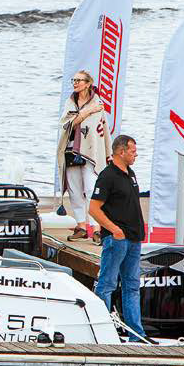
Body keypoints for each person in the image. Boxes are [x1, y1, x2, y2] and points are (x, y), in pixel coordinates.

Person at [88, 134, 147, 341]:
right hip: (117, 239)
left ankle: (136, 334)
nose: (136, 155)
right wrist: (114, 230)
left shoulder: (130, 173)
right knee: (107, 284)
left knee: (132, 286)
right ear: (121, 152)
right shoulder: (107, 176)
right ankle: (102, 332)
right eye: (132, 151)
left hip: (134, 238)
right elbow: (93, 208)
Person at [56, 70, 111, 240]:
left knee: (91, 188)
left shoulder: (97, 103)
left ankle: (96, 228)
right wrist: (86, 112)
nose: (75, 83)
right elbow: (67, 124)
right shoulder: (70, 102)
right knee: (74, 190)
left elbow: (100, 131)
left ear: (88, 83)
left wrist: (107, 153)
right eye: (74, 80)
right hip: (71, 150)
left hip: (90, 153)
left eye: (79, 80)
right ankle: (81, 226)